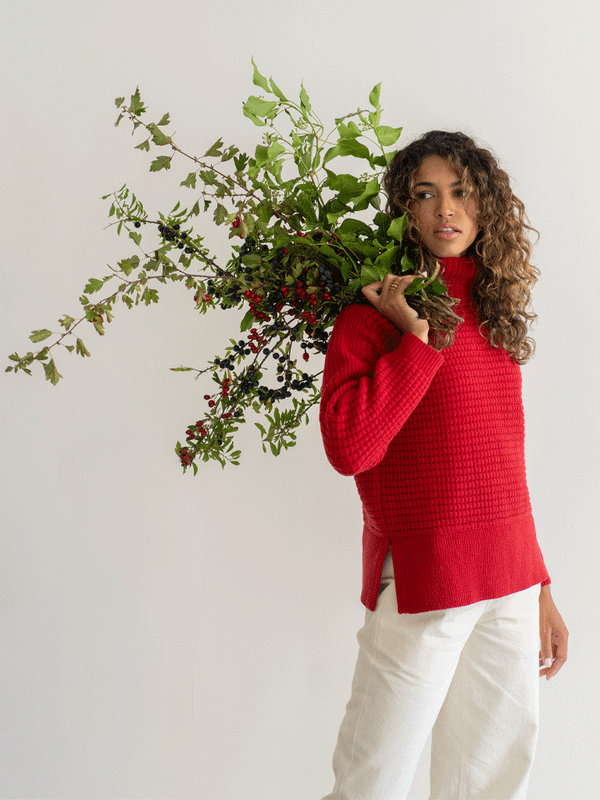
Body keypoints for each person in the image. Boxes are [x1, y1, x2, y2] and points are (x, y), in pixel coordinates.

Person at [319, 131, 568, 800]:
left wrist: (540, 584)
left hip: (508, 579)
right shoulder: (373, 316)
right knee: (372, 782)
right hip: (424, 577)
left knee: (491, 783)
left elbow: (504, 459)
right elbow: (349, 449)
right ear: (404, 209)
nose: (444, 210)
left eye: (460, 192)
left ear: (486, 205)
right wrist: (418, 341)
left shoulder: (493, 309)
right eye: (424, 194)